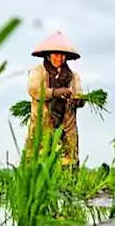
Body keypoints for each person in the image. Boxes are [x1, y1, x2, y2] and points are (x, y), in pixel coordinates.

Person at [26, 31, 85, 170]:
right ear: (48, 55)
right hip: (43, 122)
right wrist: (54, 92)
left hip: (67, 124)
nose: (59, 58)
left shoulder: (72, 76)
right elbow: (33, 89)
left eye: (62, 55)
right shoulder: (38, 72)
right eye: (56, 54)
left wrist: (78, 101)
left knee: (69, 158)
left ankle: (69, 186)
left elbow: (79, 94)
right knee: (38, 156)